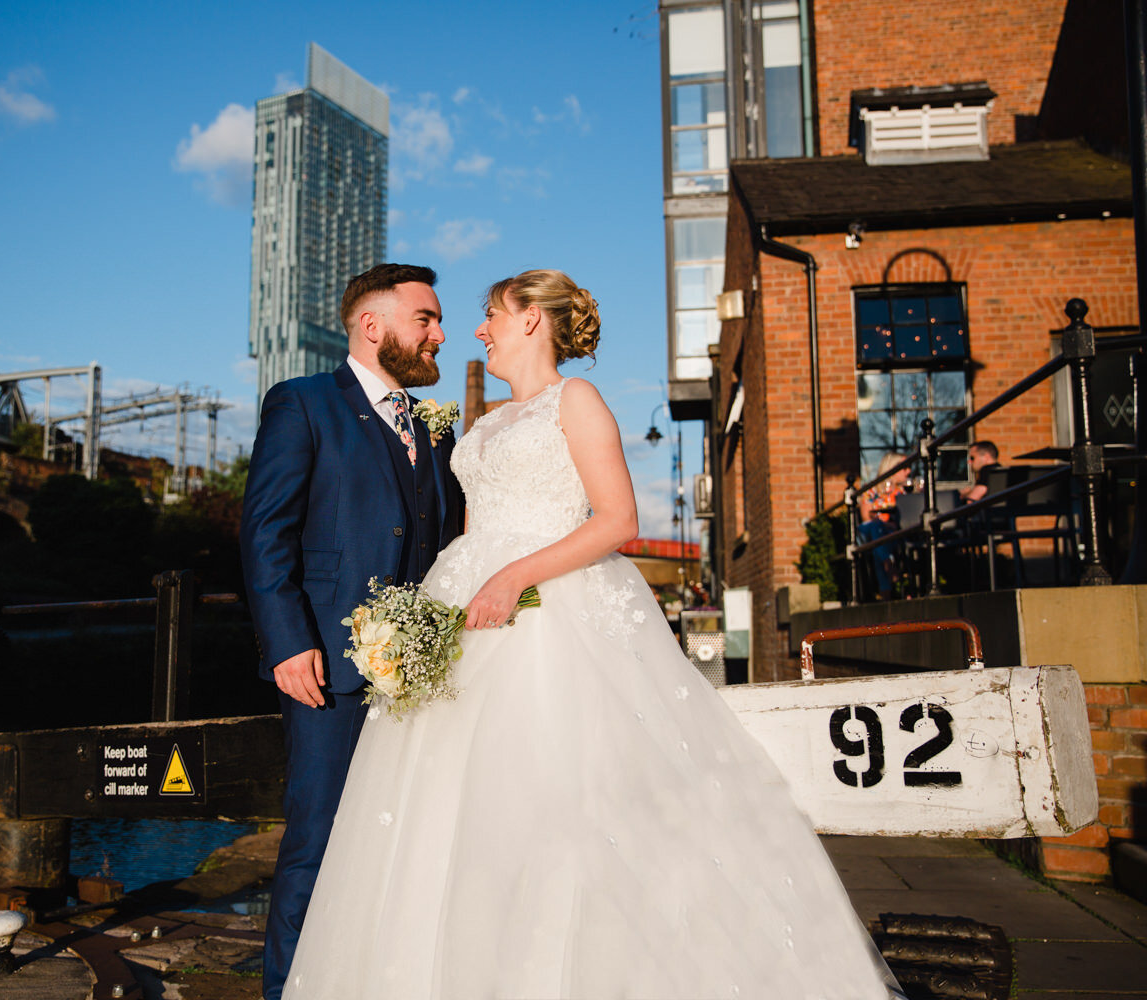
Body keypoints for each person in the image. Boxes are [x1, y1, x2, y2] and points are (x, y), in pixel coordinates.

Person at [282, 270, 903, 999]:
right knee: (453, 811)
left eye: (488, 315)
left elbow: (616, 520)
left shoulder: (576, 401)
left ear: (531, 322)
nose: (477, 331)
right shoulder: (476, 426)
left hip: (553, 609)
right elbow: (472, 528)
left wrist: (515, 578)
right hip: (466, 613)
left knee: (562, 803)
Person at [240, 262, 466, 1000]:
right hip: (328, 668)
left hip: (423, 672)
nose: (439, 333)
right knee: (317, 839)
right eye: (425, 319)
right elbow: (265, 531)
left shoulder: (434, 430)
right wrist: (287, 640)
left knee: (404, 835)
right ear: (373, 327)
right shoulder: (303, 404)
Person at [856, 452, 911, 600]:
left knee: (879, 547)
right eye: (904, 468)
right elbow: (866, 516)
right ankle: (893, 574)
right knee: (877, 530)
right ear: (892, 468)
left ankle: (886, 592)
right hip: (872, 531)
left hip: (891, 532)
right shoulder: (872, 490)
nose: (909, 471)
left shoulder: (904, 492)